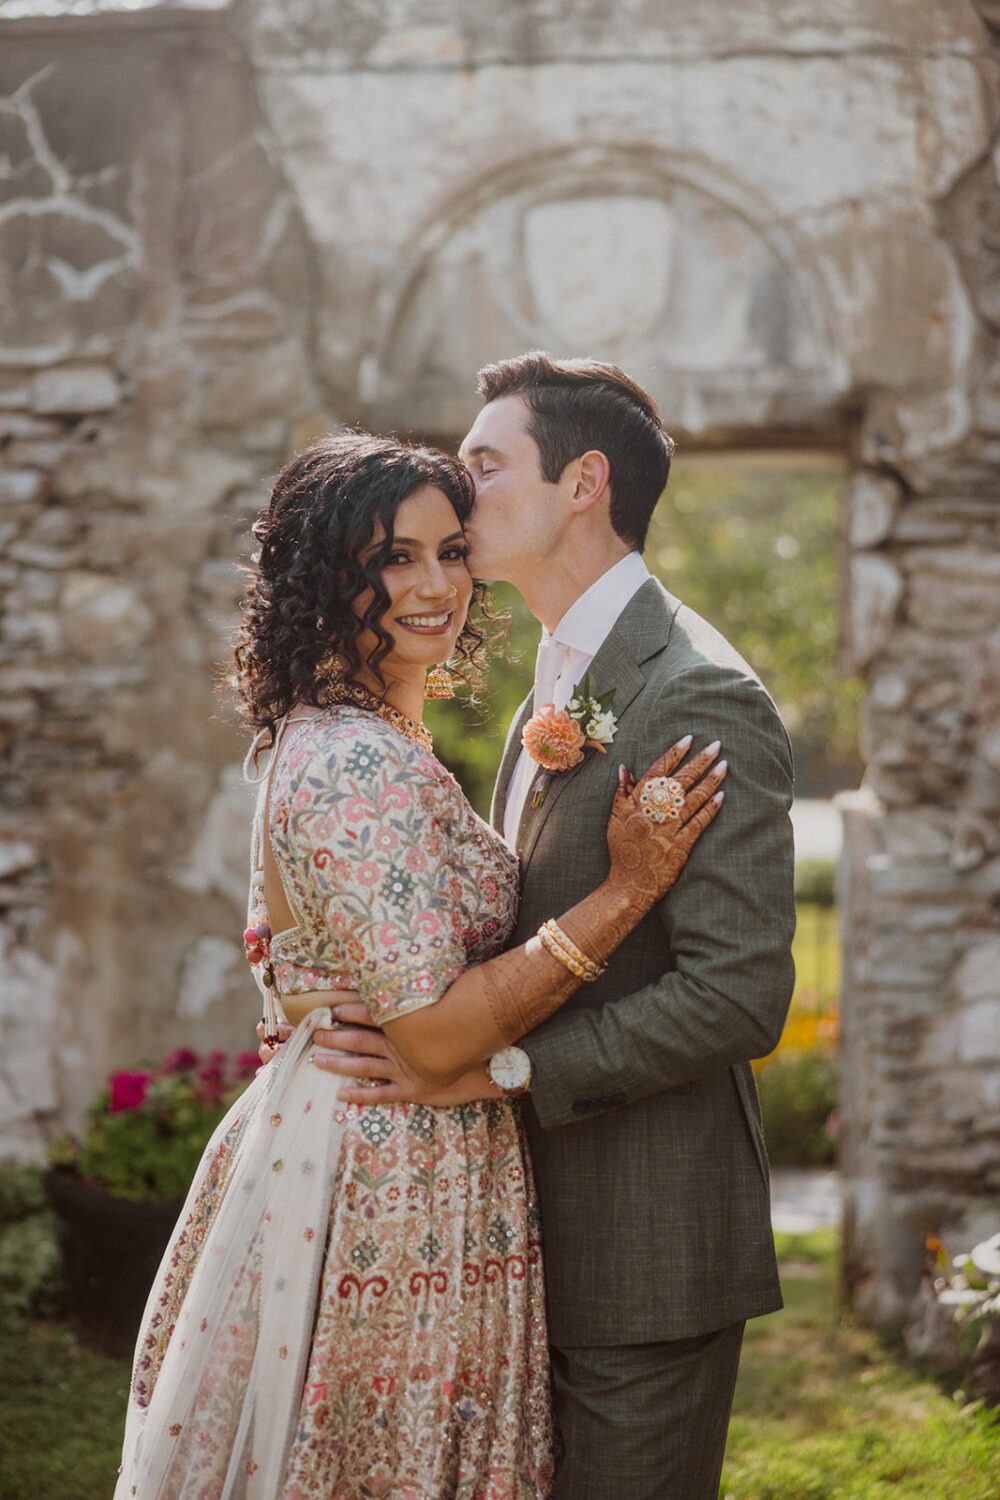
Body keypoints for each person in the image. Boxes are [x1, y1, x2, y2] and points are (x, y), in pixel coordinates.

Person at [114, 431, 725, 1499]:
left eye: (450, 550)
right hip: (384, 1182)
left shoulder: (367, 734)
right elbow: (434, 1034)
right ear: (322, 575)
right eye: (394, 558)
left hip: (397, 1151)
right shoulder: (356, 762)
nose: (435, 584)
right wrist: (625, 893)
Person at [313, 356, 796, 1500]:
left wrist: (499, 1072)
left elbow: (737, 996)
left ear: (584, 482)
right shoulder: (556, 682)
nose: (457, 488)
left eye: (485, 465)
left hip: (645, 1246)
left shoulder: (696, 694)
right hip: (530, 1233)